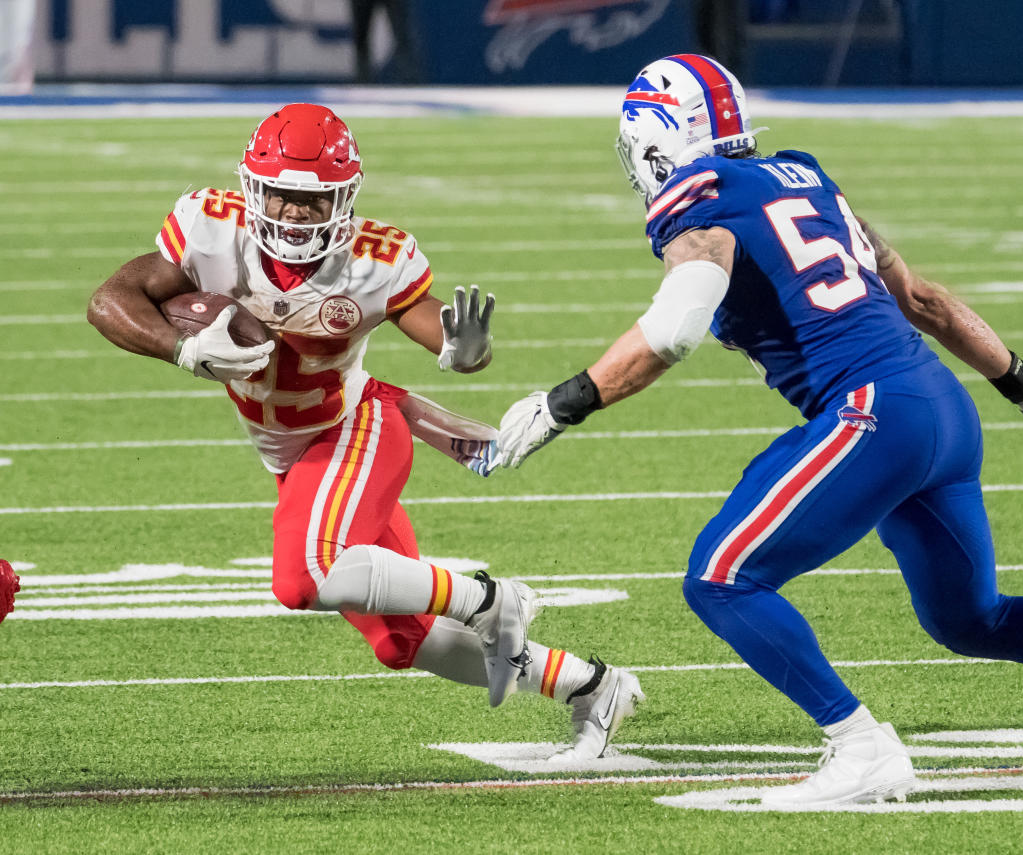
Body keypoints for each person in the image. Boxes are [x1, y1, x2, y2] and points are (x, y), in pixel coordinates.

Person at [490, 54, 1023, 803]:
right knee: (970, 618)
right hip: (942, 409)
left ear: (654, 140)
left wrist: (563, 403)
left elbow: (676, 328)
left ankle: (860, 746)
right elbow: (923, 299)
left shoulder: (702, 202)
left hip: (875, 411)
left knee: (721, 577)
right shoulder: (804, 176)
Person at [86, 103, 642, 762]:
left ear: (343, 201)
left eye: (311, 201)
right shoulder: (212, 228)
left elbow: (438, 326)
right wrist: (180, 350)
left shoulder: (374, 258)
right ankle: (591, 686)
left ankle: (491, 599)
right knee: (405, 641)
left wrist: (465, 350)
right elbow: (109, 300)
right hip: (292, 455)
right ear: (253, 189)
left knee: (305, 577)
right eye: (283, 197)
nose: (294, 214)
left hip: (357, 426)